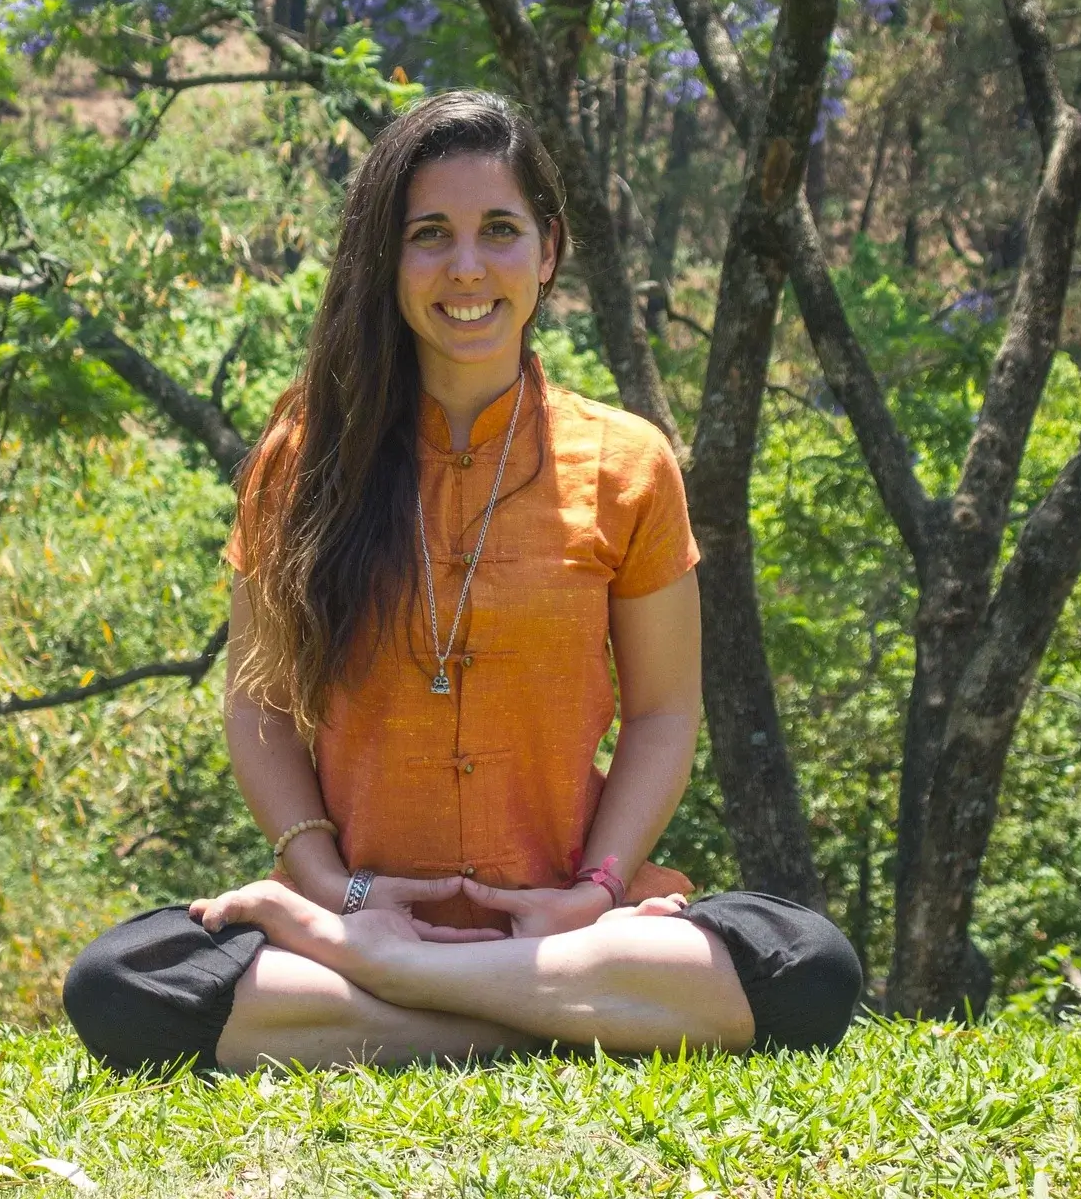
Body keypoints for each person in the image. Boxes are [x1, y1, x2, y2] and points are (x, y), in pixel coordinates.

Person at [62, 91, 861, 1073]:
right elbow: (259, 707)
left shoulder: (625, 463)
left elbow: (662, 716)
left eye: (498, 231)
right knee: (119, 982)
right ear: (385, 260)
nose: (467, 267)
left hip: (565, 925)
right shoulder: (302, 456)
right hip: (363, 912)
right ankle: (562, 1018)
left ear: (548, 250)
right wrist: (330, 893)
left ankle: (400, 994)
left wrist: (594, 892)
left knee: (810, 965)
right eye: (429, 235)